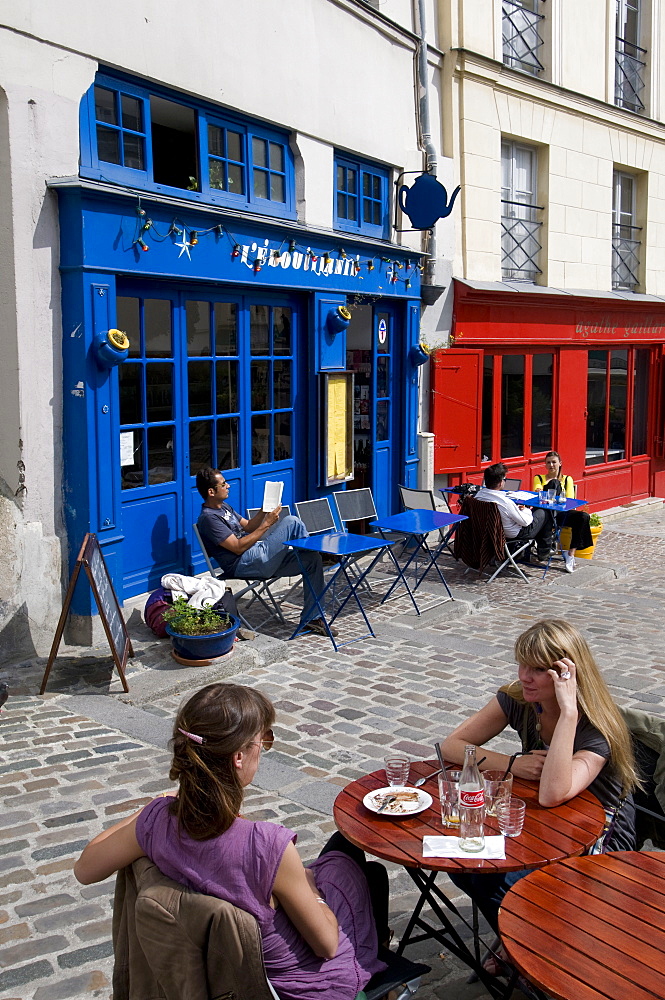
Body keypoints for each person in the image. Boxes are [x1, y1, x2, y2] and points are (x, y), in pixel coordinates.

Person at [75, 683, 388, 1000]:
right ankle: (379, 970)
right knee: (355, 860)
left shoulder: (156, 825)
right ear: (239, 756)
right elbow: (327, 944)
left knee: (348, 853)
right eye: (263, 741)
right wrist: (310, 888)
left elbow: (85, 869)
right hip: (294, 984)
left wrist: (156, 805)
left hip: (231, 971)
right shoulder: (267, 847)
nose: (263, 750)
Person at [440, 619, 638, 946]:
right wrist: (513, 763)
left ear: (567, 674)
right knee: (464, 866)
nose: (523, 676)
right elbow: (452, 745)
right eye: (521, 663)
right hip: (544, 824)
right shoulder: (520, 699)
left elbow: (552, 792)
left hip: (597, 839)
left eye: (537, 669)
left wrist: (569, 714)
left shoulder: (598, 728)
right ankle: (520, 944)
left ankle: (536, 948)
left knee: (503, 883)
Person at [196, 467, 333, 637]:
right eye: (223, 484)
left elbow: (248, 526)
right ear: (211, 491)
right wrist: (267, 523)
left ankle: (312, 618)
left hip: (257, 559)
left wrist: (264, 509)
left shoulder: (224, 507)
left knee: (312, 560)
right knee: (291, 521)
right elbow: (237, 547)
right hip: (243, 563)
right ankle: (320, 551)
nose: (228, 486)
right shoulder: (209, 518)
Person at [476, 463, 554, 561]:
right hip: (510, 534)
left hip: (488, 532)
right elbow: (525, 522)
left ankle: (539, 551)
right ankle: (544, 551)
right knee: (543, 512)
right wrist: (526, 510)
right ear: (501, 483)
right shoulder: (505, 502)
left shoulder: (478, 496)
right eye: (505, 480)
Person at [533, 451, 593, 574]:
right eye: (548, 462)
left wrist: (554, 497)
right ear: (545, 465)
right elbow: (538, 492)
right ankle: (544, 546)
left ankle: (570, 554)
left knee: (583, 517)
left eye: (554, 462)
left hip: (561, 514)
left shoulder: (567, 479)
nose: (551, 465)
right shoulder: (539, 478)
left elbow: (570, 502)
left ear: (560, 463)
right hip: (545, 515)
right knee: (553, 484)